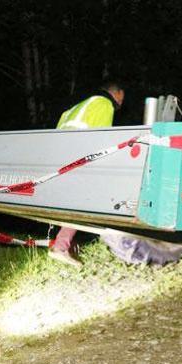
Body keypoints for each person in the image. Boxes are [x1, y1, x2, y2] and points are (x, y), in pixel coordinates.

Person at [49, 81, 125, 267]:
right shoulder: (104, 104)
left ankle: (63, 245)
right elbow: (101, 138)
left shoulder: (76, 107)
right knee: (90, 200)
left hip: (60, 158)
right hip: (79, 158)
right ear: (118, 93)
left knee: (76, 203)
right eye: (123, 96)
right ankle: (62, 247)